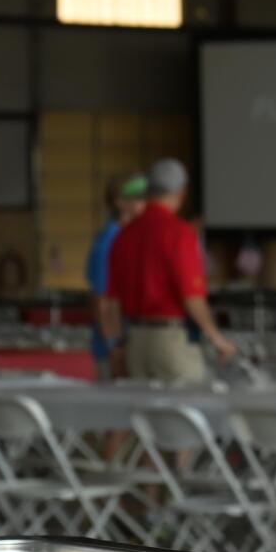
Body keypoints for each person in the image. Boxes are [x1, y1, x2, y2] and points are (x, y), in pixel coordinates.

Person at [106, 156, 237, 382]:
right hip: (170, 342)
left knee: (143, 415)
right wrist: (218, 339)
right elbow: (192, 299)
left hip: (135, 342)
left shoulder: (124, 235)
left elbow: (111, 302)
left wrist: (118, 345)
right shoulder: (180, 234)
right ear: (181, 193)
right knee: (188, 411)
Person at [88, 170, 147, 376]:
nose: (145, 203)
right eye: (138, 198)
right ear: (119, 202)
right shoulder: (109, 241)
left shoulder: (131, 237)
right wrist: (114, 346)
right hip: (114, 350)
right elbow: (103, 299)